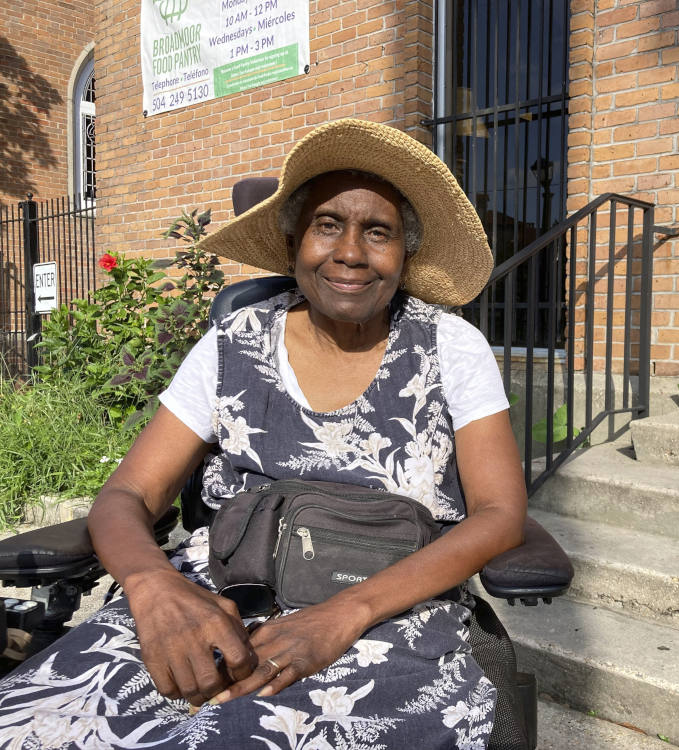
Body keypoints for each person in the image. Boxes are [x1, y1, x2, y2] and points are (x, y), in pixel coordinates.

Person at [0, 119, 527, 749]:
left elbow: (498, 514)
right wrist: (154, 589)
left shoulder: (449, 346)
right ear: (294, 241)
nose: (351, 252)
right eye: (328, 224)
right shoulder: (232, 344)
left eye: (378, 232)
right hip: (213, 593)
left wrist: (346, 612)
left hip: (392, 608)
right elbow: (127, 497)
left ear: (404, 255)